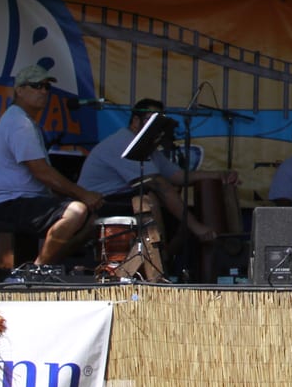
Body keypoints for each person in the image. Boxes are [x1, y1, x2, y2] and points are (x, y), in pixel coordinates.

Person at [0, 64, 104, 279]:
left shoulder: (25, 121)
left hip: (26, 199)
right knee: (76, 211)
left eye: (46, 87)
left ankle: (47, 267)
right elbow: (41, 171)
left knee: (90, 222)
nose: (43, 91)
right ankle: (36, 271)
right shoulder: (18, 122)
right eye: (36, 86)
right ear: (19, 90)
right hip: (11, 202)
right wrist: (83, 194)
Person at [79, 98, 218, 276]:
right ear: (136, 121)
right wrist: (197, 227)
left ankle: (165, 259)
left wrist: (219, 175)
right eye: (152, 121)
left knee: (180, 216)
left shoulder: (148, 148)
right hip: (100, 203)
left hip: (123, 199)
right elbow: (159, 183)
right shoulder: (123, 141)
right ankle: (157, 264)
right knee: (152, 197)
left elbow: (177, 176)